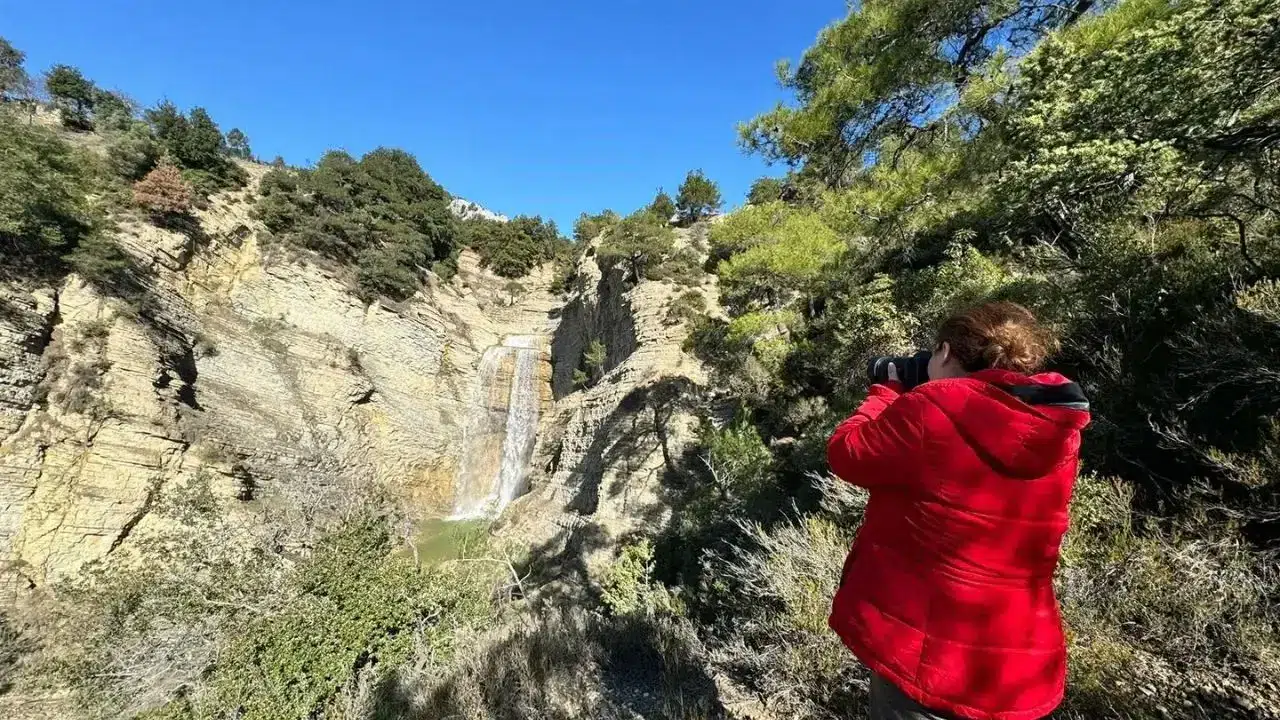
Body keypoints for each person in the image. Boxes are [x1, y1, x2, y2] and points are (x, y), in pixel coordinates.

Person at [826, 302, 1091, 720]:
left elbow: (847, 454)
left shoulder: (931, 408)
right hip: (1020, 662)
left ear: (946, 351)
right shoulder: (1056, 425)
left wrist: (885, 393)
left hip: (930, 658)